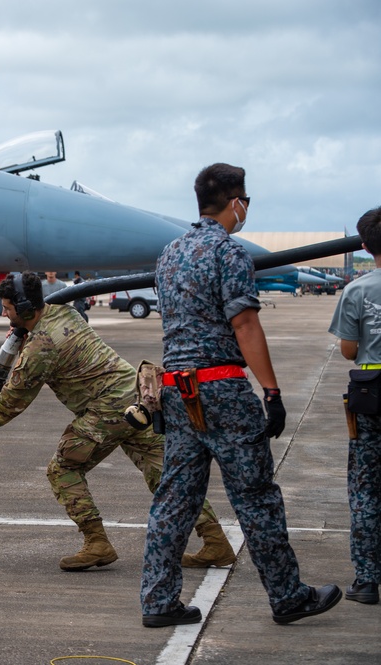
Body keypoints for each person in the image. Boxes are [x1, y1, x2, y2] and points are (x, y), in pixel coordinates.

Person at [141, 163, 339, 627]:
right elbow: (245, 323)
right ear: (238, 203)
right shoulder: (228, 252)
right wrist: (271, 391)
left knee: (175, 499)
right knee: (255, 496)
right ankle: (287, 595)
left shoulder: (169, 254)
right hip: (222, 389)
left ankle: (158, 601)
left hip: (176, 389)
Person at [0, 272, 234, 572]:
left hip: (109, 409)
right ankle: (215, 541)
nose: (4, 314)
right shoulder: (63, 310)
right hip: (138, 399)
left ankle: (96, 542)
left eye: (8, 308)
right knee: (166, 474)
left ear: (25, 309)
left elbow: (14, 398)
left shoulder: (41, 347)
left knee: (63, 469)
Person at [327, 206, 381, 605]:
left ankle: (366, 580)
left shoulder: (357, 289)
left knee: (366, 489)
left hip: (372, 393)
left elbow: (348, 351)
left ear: (364, 245)